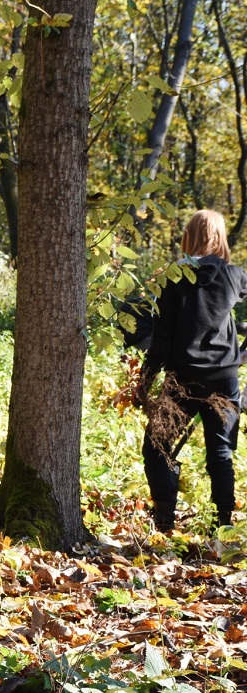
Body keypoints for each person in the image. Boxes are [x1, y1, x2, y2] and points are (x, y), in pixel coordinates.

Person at [137, 210, 247, 531]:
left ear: (189, 236)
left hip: (182, 380)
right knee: (221, 454)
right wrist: (240, 356)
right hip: (224, 378)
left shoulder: (172, 278)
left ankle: (164, 526)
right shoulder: (235, 275)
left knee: (157, 447)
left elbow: (161, 340)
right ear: (220, 237)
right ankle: (223, 529)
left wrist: (144, 383)